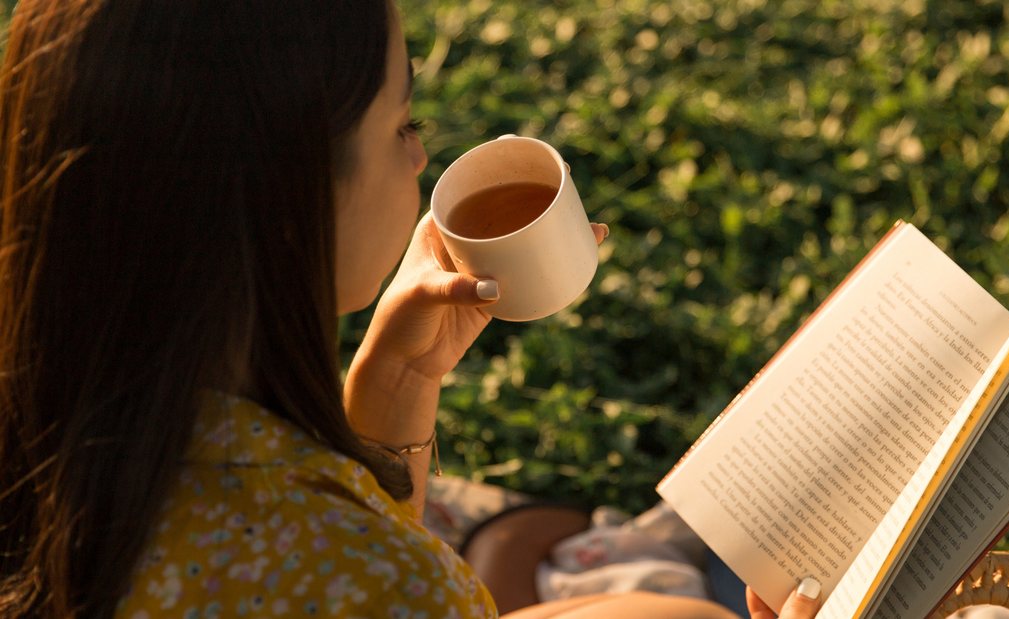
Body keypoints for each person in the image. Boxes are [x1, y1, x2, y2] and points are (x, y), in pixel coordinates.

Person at [0, 0, 822, 617]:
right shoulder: (380, 580)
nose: (423, 152)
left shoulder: (77, 419)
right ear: (292, 211)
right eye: (403, 123)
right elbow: (353, 568)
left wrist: (397, 382)